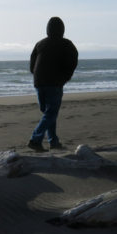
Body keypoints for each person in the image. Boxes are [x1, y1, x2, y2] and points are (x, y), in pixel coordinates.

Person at [28, 17, 78, 152]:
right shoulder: (66, 44)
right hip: (54, 83)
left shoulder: (40, 44)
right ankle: (35, 140)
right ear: (62, 29)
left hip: (39, 83)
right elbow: (72, 63)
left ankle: (53, 141)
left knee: (49, 113)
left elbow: (32, 64)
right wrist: (64, 78)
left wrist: (37, 76)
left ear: (47, 29)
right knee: (50, 113)